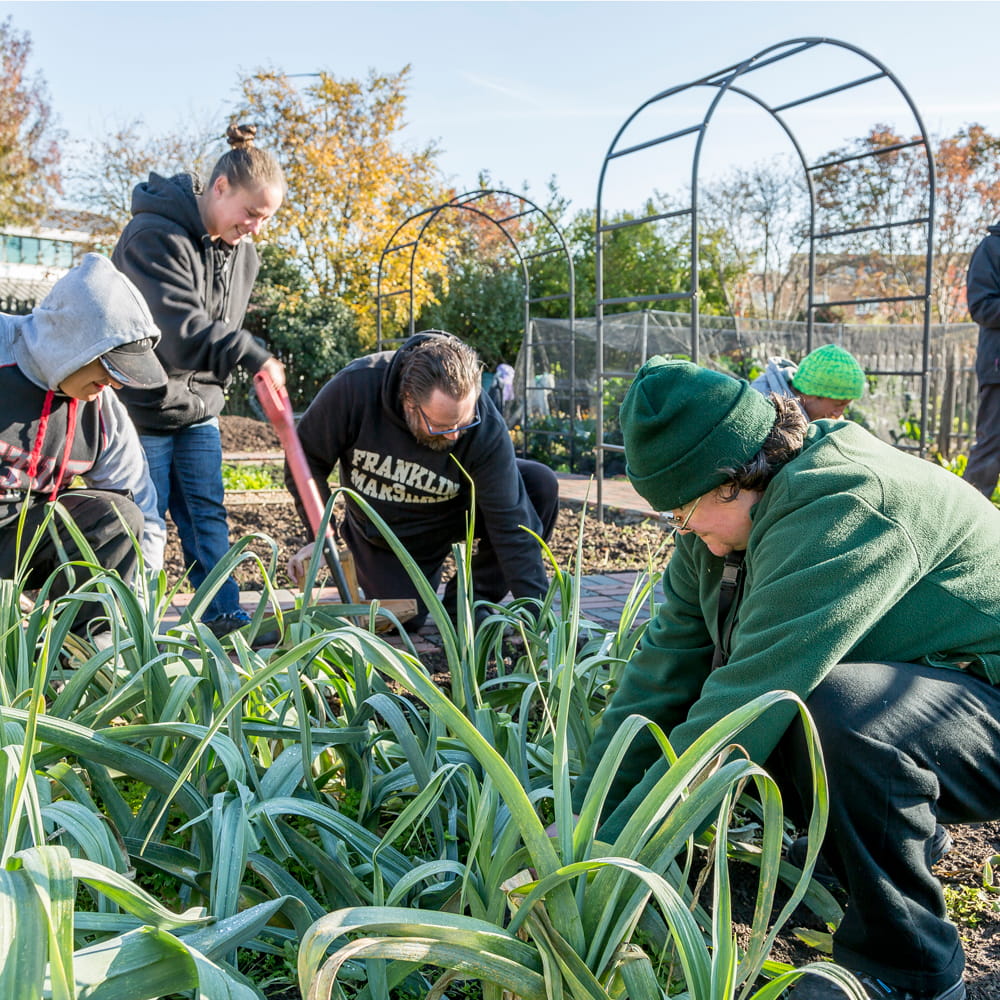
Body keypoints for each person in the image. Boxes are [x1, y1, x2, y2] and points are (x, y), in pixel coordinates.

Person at [573, 358, 999, 1000]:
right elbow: (665, 668)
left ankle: (909, 967)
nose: (686, 531)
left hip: (985, 699)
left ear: (735, 478)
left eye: (686, 512)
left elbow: (747, 700)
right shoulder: (725, 518)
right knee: (795, 701)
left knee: (830, 710)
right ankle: (892, 838)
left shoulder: (840, 503)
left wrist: (612, 856)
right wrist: (590, 813)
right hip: (942, 694)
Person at [112, 123, 287, 638]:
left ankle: (224, 617)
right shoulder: (152, 236)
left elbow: (220, 329)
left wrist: (223, 380)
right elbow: (180, 330)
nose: (256, 226)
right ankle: (127, 627)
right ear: (220, 188)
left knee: (207, 514)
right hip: (144, 406)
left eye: (266, 218)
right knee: (143, 521)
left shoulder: (243, 255)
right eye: (252, 213)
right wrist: (254, 355)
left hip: (199, 409)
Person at [285, 331, 559, 627]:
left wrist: (544, 625)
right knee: (403, 619)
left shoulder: (483, 423)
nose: (454, 435)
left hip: (451, 515)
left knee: (537, 485)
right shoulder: (355, 388)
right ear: (408, 401)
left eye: (463, 423)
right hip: (384, 534)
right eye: (441, 425)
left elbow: (512, 525)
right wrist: (322, 534)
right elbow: (304, 459)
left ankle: (469, 602)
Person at [0, 253, 168, 635]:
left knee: (118, 516)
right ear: (74, 343)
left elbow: (144, 512)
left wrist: (141, 619)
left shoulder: (102, 410)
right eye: (109, 367)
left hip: (22, 540)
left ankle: (78, 665)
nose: (118, 383)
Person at [963, 225, 1000, 500]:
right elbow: (981, 306)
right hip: (998, 368)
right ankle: (968, 521)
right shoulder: (991, 248)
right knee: (992, 446)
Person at [750, 343, 866, 420]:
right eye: (838, 405)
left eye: (845, 406)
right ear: (810, 394)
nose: (839, 414)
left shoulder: (817, 414)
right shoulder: (759, 411)